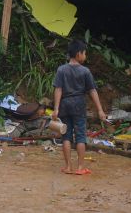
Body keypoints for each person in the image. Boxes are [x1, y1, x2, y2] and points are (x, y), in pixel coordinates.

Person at [51, 39, 107, 175]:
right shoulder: (85, 71)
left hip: (64, 105)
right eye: (84, 53)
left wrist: (56, 109)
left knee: (66, 136)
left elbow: (58, 89)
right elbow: (92, 91)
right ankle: (80, 168)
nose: (85, 56)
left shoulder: (61, 70)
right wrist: (100, 109)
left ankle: (68, 167)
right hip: (79, 105)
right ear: (78, 54)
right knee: (81, 136)